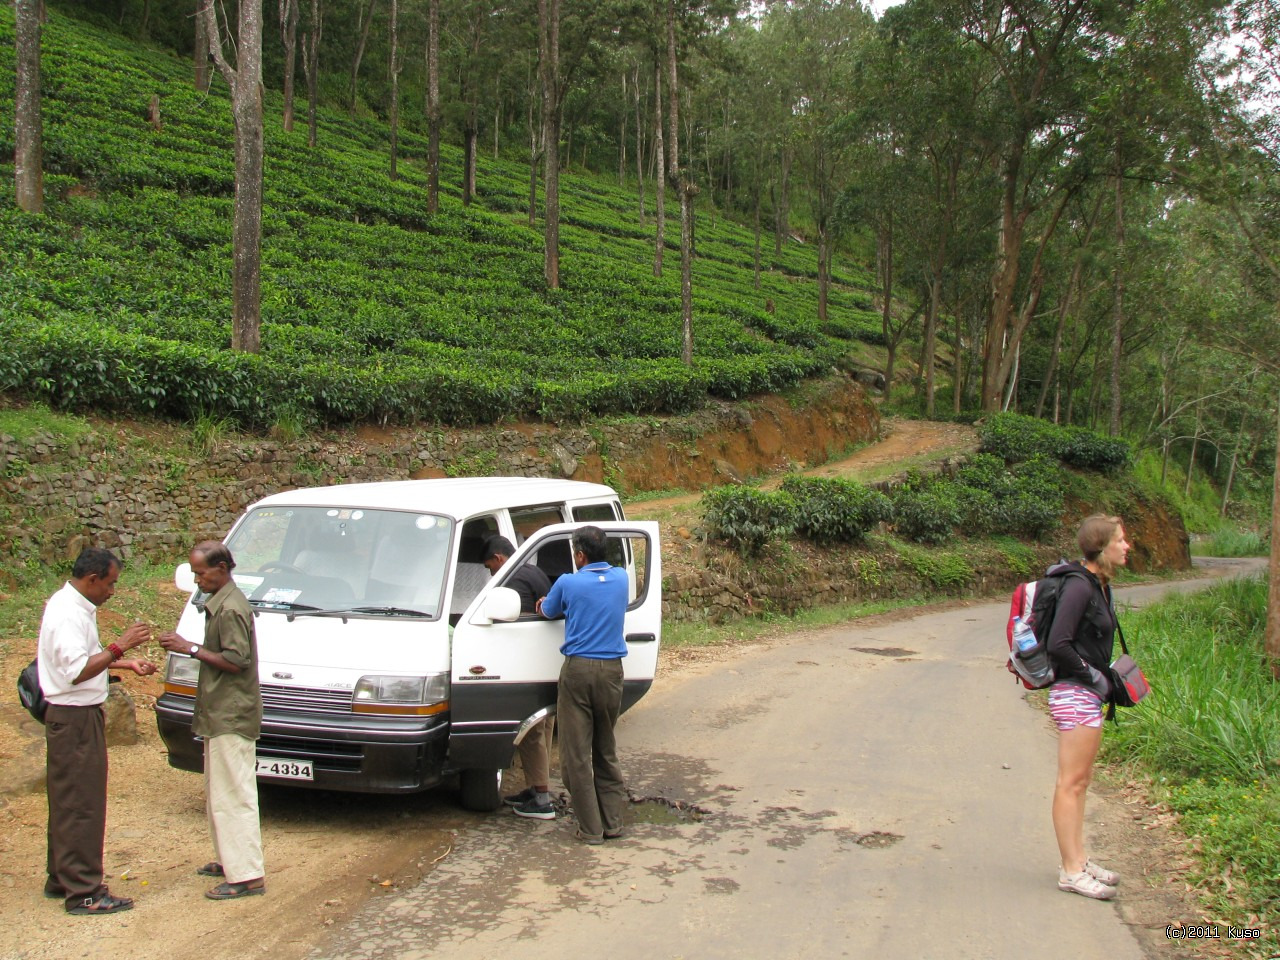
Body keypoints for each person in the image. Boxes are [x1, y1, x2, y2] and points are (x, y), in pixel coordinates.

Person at [38, 546, 156, 915]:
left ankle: (62, 877)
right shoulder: (68, 614)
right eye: (110, 584)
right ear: (91, 580)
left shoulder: (71, 606)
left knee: (68, 800)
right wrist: (121, 644)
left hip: (71, 714)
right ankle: (85, 892)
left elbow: (83, 661)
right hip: (74, 718)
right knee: (82, 804)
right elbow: (76, 670)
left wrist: (123, 661)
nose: (112, 591)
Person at [159, 541, 265, 900]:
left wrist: (188, 647)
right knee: (218, 791)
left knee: (234, 793)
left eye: (201, 573)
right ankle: (229, 860)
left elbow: (237, 660)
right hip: (219, 711)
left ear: (221, 570)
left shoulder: (231, 608)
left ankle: (247, 875)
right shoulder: (218, 604)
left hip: (231, 715)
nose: (197, 579)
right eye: (194, 573)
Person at [1046, 514, 1130, 900]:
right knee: (1071, 783)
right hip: (1075, 694)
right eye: (1121, 540)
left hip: (1086, 694)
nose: (1127, 546)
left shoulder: (1099, 585)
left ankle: (1079, 859)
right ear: (1102, 546)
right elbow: (1058, 644)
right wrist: (1092, 677)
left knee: (1081, 782)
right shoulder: (1079, 587)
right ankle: (1070, 871)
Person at [536, 526, 629, 844]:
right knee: (605, 749)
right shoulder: (621, 579)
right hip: (612, 672)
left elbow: (548, 610)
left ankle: (590, 828)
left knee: (576, 755)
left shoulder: (568, 582)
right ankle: (612, 822)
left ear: (579, 555)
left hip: (578, 672)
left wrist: (541, 604)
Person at [481, 535, 557, 821]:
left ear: (499, 559)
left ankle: (542, 800)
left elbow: (511, 624)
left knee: (532, 734)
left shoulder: (512, 580)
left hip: (527, 666)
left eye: (490, 567)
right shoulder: (532, 570)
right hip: (544, 664)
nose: (491, 573)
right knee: (544, 730)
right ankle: (535, 788)